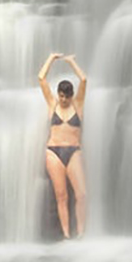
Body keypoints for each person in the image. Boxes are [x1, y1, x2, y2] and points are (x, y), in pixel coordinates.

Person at [38, 51, 87, 239]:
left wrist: (71, 62)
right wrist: (51, 58)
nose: (63, 100)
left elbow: (83, 80)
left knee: (81, 195)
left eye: (66, 97)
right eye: (61, 96)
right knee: (61, 196)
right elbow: (41, 78)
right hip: (53, 152)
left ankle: (81, 233)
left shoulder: (78, 105)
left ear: (71, 95)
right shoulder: (53, 105)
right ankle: (67, 235)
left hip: (74, 151)